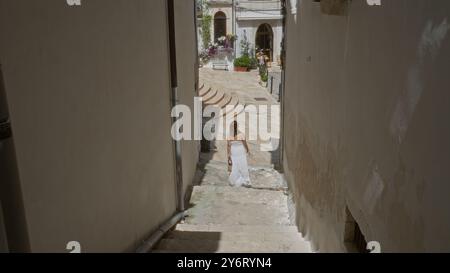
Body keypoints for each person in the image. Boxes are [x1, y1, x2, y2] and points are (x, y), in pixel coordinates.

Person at [227, 121, 251, 187]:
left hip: (233, 151)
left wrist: (228, 155)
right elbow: (245, 143)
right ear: (237, 127)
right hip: (240, 150)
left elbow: (228, 146)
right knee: (242, 163)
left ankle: (235, 179)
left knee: (235, 164)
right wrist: (248, 150)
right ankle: (244, 177)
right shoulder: (242, 134)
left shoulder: (229, 136)